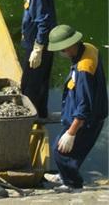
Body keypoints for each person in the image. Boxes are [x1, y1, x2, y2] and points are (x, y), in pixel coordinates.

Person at [44, 25, 108, 191]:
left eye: (63, 49)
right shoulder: (89, 48)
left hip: (86, 120)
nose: (62, 53)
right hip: (90, 113)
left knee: (60, 151)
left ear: (71, 46)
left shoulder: (84, 69)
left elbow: (85, 104)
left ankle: (73, 185)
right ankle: (65, 175)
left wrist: (72, 132)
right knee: (72, 153)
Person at [3, 0, 57, 118]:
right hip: (34, 41)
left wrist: (38, 48)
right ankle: (40, 113)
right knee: (38, 80)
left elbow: (44, 21)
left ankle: (29, 117)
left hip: (38, 44)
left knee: (31, 83)